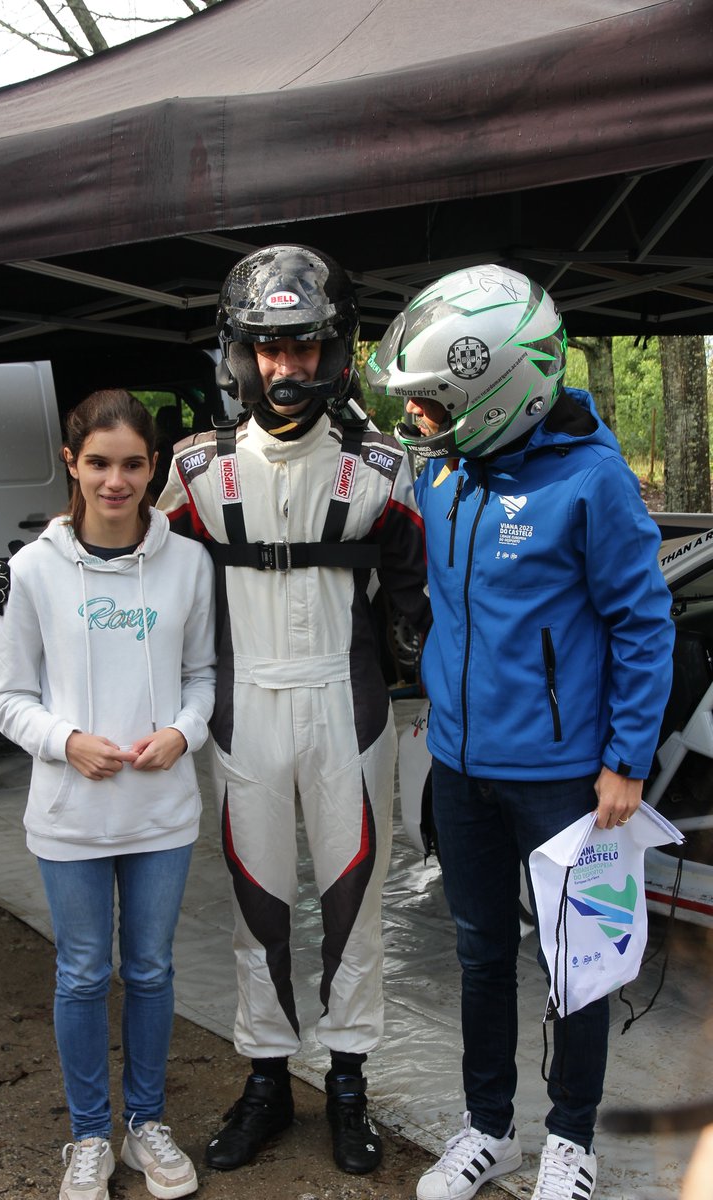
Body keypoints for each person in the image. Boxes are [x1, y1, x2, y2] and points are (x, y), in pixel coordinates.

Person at [366, 264, 674, 1200]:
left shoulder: (593, 482)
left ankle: (570, 1139)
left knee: (574, 963)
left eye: (433, 403)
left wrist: (626, 761)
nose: (419, 419)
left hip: (565, 778)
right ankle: (488, 1127)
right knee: (479, 955)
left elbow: (643, 622)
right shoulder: (450, 473)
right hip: (460, 768)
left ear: (496, 394)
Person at [157, 244, 431, 1175]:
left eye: (305, 347)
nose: (287, 368)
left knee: (355, 908)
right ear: (239, 353)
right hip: (245, 714)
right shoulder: (193, 473)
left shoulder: (386, 472)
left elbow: (435, 602)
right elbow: (133, 570)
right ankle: (267, 1082)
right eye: (269, 348)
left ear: (337, 350)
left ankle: (348, 1083)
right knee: (258, 909)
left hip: (349, 713)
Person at [0, 389, 216, 1200]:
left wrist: (184, 733)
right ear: (71, 465)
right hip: (71, 816)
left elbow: (202, 676)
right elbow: (7, 696)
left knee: (150, 970)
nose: (115, 481)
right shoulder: (35, 570)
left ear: (154, 468)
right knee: (84, 974)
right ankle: (88, 1136)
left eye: (131, 464)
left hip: (161, 815)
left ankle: (145, 1124)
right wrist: (66, 741)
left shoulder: (189, 562)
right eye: (98, 464)